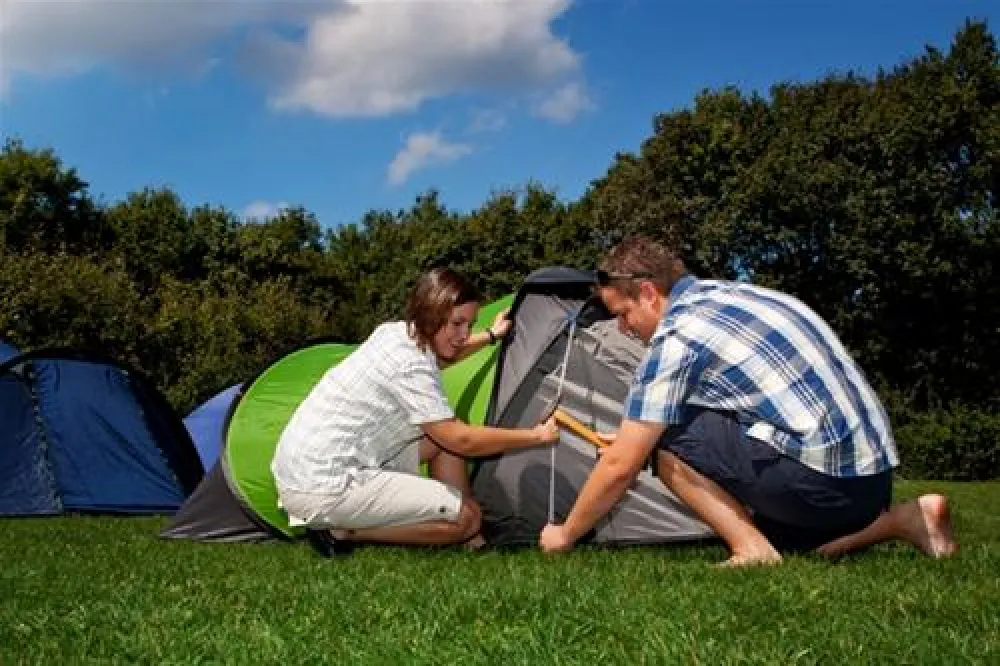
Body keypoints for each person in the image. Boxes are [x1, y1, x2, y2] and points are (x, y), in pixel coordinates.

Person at [539, 236, 957, 566]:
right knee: (800, 551)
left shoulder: (678, 335)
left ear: (648, 292)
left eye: (624, 313)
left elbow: (620, 466)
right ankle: (905, 519)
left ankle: (751, 551)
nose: (624, 329)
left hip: (822, 485)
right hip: (871, 482)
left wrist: (566, 534)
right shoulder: (743, 296)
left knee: (664, 434)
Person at [272, 267, 559, 555]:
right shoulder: (411, 365)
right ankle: (342, 532)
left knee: (440, 440)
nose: (464, 334)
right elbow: (462, 440)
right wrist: (535, 436)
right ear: (432, 315)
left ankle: (473, 539)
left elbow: (446, 353)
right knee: (465, 512)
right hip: (324, 483)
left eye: (469, 325)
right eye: (457, 323)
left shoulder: (395, 334)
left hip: (308, 467)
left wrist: (490, 335)